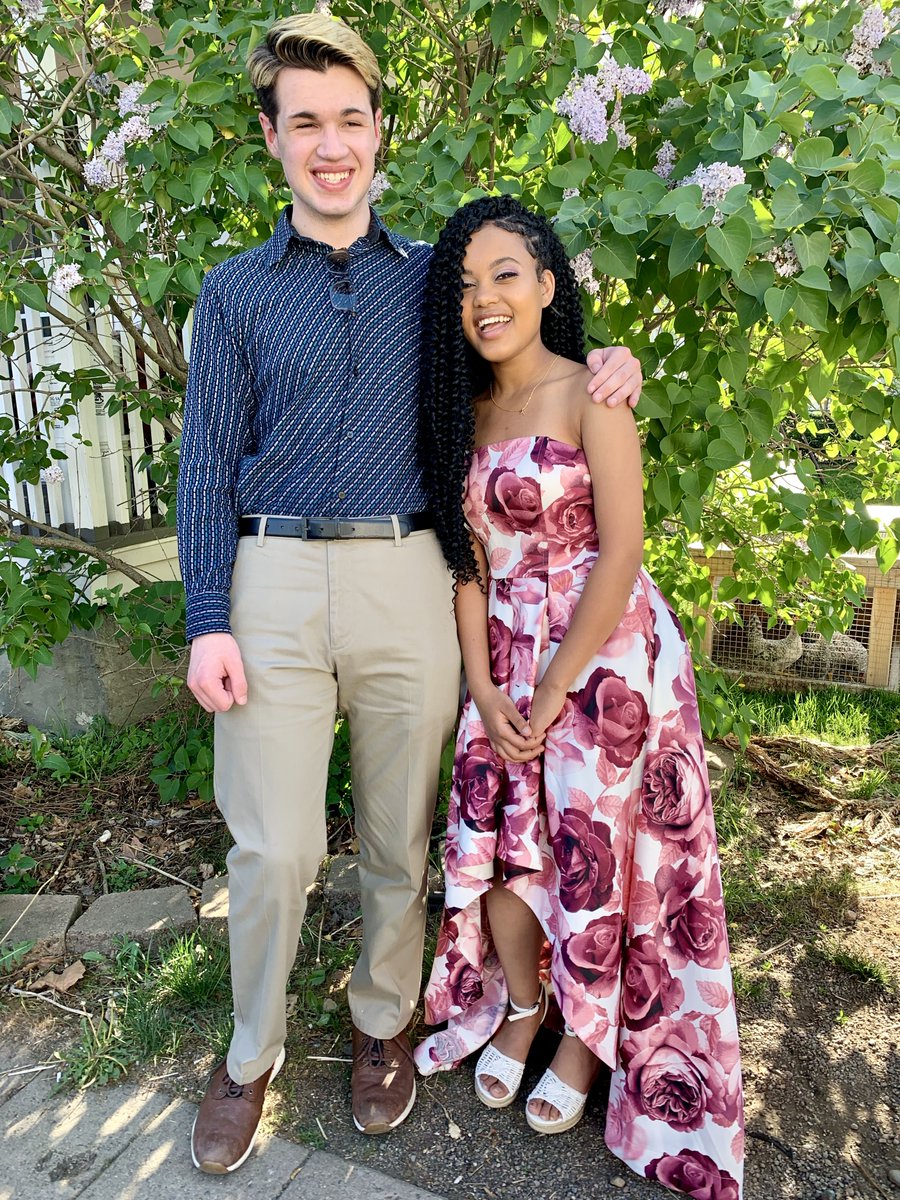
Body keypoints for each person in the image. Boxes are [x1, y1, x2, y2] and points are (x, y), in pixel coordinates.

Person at [177, 13, 644, 1175]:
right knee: (275, 848)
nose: (329, 144)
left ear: (378, 131)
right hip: (270, 575)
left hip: (413, 577)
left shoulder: (437, 280)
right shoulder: (234, 294)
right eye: (304, 124)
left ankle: (383, 1023)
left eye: (349, 119)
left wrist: (614, 364)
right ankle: (250, 1056)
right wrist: (206, 619)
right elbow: (203, 463)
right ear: (272, 140)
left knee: (399, 837)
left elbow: (530, 340)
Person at [414, 195, 744, 1199]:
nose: (486, 298)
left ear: (549, 284)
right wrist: (481, 681)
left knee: (590, 855)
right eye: (467, 283)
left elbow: (624, 552)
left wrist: (558, 687)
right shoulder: (459, 412)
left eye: (507, 273)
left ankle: (586, 1047)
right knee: (497, 836)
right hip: (501, 650)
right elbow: (466, 561)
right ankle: (524, 1005)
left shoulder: (590, 392)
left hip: (603, 656)